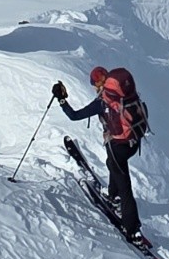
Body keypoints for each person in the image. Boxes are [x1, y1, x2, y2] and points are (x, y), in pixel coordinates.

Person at [53, 66, 143, 241]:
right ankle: (111, 194)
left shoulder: (104, 101)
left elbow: (75, 116)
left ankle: (133, 230)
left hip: (118, 146)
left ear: (97, 84)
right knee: (113, 165)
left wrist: (62, 100)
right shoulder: (126, 94)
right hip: (133, 142)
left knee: (125, 186)